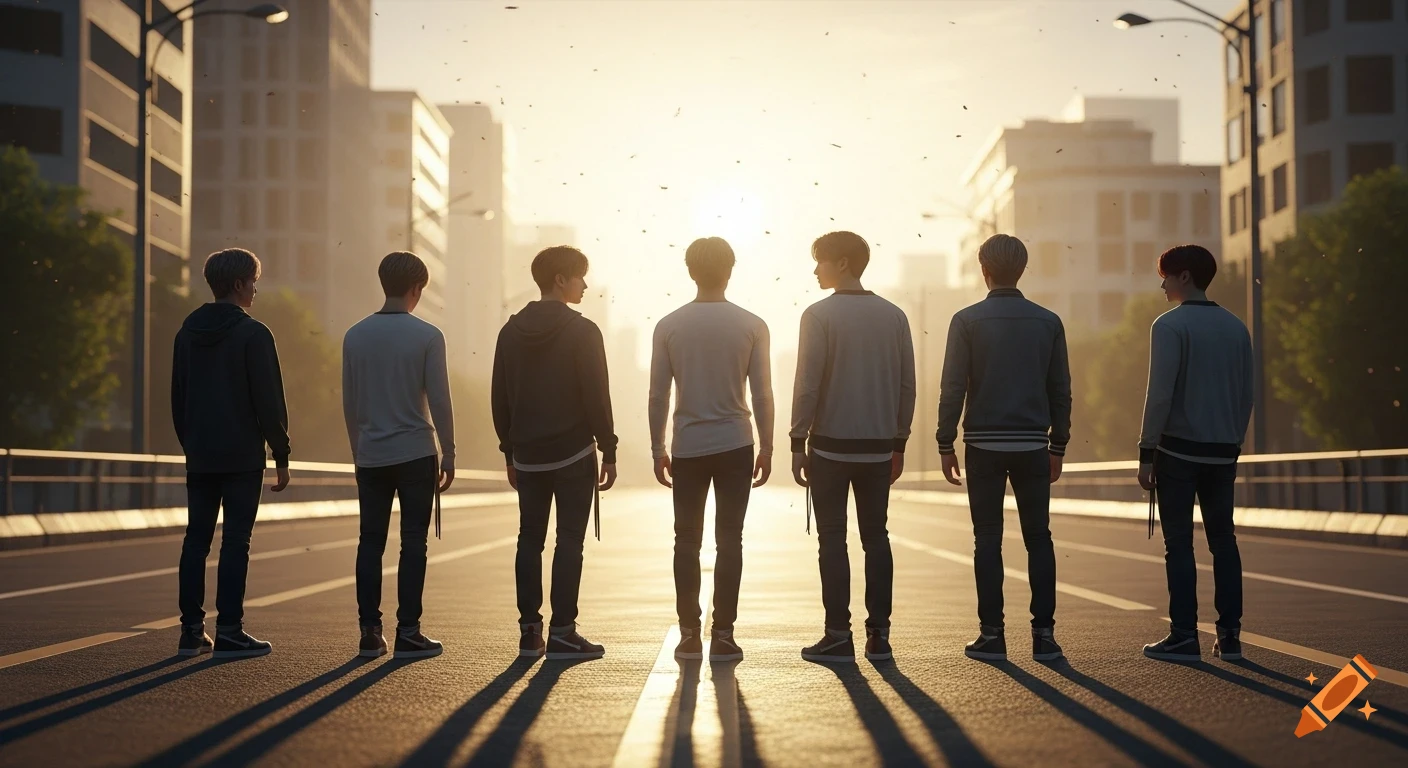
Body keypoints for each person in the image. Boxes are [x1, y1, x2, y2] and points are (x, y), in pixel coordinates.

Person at [936, 234, 1071, 663]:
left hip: (983, 446)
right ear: (1022, 269)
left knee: (987, 539)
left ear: (984, 270)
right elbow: (1060, 389)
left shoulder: (966, 320)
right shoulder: (1048, 322)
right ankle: (1044, 636)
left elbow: (953, 387)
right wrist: (1059, 444)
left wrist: (945, 441)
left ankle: (992, 635)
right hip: (1033, 445)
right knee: (1039, 538)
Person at [791, 231, 915, 664]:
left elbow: (808, 383)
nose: (815, 269)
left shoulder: (818, 315)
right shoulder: (894, 316)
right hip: (879, 449)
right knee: (876, 538)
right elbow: (906, 386)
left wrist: (796, 440)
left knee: (832, 540)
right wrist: (900, 440)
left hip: (828, 449)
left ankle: (837, 635)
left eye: (820, 261)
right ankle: (879, 636)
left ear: (842, 263)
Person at [649, 237, 774, 663]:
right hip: (736, 443)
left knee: (686, 541)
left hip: (688, 446)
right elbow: (762, 394)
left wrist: (656, 449)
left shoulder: (668, 325)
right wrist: (769, 447)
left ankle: (688, 634)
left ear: (689, 271)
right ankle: (723, 633)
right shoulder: (752, 324)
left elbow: (657, 396)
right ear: (731, 269)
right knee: (730, 541)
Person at [492, 245, 618, 660]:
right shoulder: (584, 331)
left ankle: (530, 633)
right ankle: (563, 632)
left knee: (529, 539)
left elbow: (501, 398)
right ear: (561, 280)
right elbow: (596, 396)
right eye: (580, 276)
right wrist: (609, 448)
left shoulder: (509, 331)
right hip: (572, 454)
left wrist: (509, 452)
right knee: (568, 542)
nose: (585, 284)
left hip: (527, 456)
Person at [171, 248, 290, 659]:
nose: (256, 288)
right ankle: (230, 631)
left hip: (201, 454)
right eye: (254, 281)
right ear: (239, 284)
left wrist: (193, 444)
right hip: (241, 456)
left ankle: (190, 631)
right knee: (236, 541)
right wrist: (281, 454)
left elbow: (178, 397)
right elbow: (269, 402)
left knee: (196, 540)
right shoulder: (254, 334)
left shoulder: (186, 332)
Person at [1138, 244, 1252, 662]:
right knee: (1224, 541)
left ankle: (1185, 635)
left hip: (1179, 454)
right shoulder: (1237, 327)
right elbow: (1247, 395)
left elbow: (1160, 395)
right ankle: (1231, 636)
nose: (1162, 283)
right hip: (1223, 453)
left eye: (1166, 275)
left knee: (1180, 545)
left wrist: (1146, 451)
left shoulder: (1169, 326)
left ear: (1184, 276)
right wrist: (1233, 441)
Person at [342, 252, 455, 660]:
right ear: (416, 289)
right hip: (415, 454)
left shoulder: (355, 335)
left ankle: (370, 632)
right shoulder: (427, 335)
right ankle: (409, 632)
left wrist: (359, 450)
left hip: (371, 455)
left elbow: (350, 402)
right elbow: (439, 401)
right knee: (413, 543)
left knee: (369, 542)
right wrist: (450, 452)